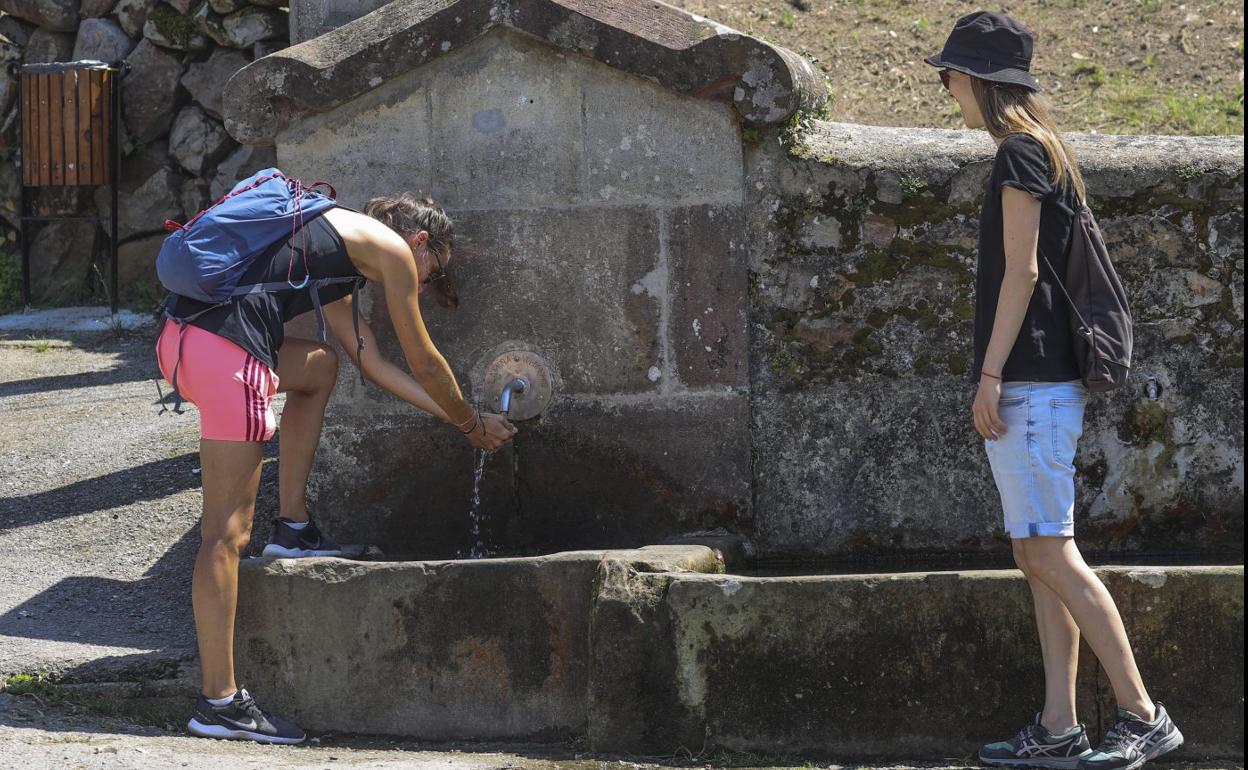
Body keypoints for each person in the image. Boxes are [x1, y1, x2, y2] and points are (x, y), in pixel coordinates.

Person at [155, 191, 517, 744]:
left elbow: (369, 361)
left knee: (319, 366)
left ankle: (293, 529)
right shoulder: (392, 252)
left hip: (180, 345)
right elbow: (421, 357)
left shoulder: (322, 235)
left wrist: (457, 420)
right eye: (431, 271)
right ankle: (220, 703)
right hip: (229, 355)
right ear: (419, 241)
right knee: (226, 535)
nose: (422, 284)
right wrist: (470, 424)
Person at [924, 12, 1183, 770]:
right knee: (1036, 555)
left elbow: (1024, 271)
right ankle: (1059, 723)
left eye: (950, 74)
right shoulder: (1041, 150)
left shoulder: (1019, 157)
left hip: (1031, 385)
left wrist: (991, 373)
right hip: (1042, 386)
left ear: (978, 81)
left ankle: (1142, 713)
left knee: (1052, 555)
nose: (945, 87)